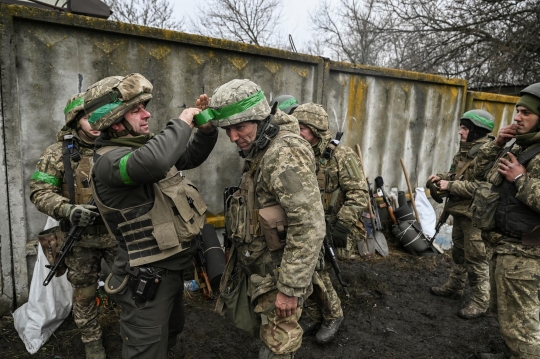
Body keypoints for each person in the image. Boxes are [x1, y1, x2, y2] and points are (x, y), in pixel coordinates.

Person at [85, 73, 217, 359]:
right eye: (136, 109)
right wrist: (182, 120)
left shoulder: (142, 147)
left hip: (169, 271)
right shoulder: (109, 162)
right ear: (113, 121)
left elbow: (190, 156)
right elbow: (156, 162)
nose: (147, 114)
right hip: (146, 279)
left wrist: (206, 130)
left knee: (170, 333)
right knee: (146, 348)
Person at [206, 79, 325, 359]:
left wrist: (290, 289)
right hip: (264, 267)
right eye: (228, 130)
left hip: (279, 274)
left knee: (280, 345)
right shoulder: (262, 144)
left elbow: (309, 225)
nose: (233, 137)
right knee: (269, 336)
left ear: (260, 117)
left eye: (240, 127)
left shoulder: (284, 153)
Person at [29, 92, 116, 359]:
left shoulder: (117, 145)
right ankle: (92, 343)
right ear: (75, 119)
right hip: (79, 240)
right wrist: (68, 209)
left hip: (116, 236)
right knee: (85, 293)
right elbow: (39, 191)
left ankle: (137, 332)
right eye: (88, 117)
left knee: (129, 285)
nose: (95, 122)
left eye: (99, 116)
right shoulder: (57, 153)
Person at [473, 84, 540, 359]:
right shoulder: (517, 146)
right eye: (517, 111)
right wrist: (497, 143)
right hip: (504, 249)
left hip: (527, 254)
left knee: (524, 332)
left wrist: (521, 179)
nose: (517, 117)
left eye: (526, 113)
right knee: (506, 315)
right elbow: (478, 172)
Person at [292, 103, 368, 343]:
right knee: (304, 268)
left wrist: (342, 225)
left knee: (316, 269)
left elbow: (359, 194)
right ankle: (314, 314)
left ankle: (334, 315)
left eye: (301, 128)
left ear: (315, 129)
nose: (297, 132)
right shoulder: (299, 151)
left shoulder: (341, 156)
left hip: (335, 225)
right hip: (309, 223)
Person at [428, 109, 495, 319]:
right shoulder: (467, 150)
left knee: (476, 258)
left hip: (476, 216)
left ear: (476, 130)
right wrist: (440, 178)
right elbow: (458, 174)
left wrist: (451, 185)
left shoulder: (488, 153)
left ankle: (480, 301)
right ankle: (455, 287)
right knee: (458, 252)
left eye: (465, 128)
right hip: (460, 210)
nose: (460, 132)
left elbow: (482, 187)